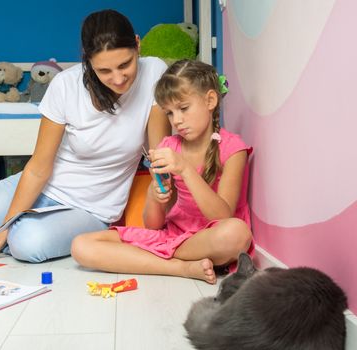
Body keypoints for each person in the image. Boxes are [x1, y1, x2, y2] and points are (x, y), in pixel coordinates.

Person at [0, 9, 171, 262]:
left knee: (27, 242)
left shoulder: (154, 71)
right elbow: (38, 168)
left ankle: (20, 229)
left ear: (138, 45)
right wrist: (2, 230)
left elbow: (159, 151)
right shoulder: (65, 85)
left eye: (125, 64)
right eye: (104, 70)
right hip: (41, 188)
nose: (117, 78)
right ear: (87, 60)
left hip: (89, 209)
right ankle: (16, 224)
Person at [71, 60, 253, 284]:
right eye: (169, 113)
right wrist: (154, 196)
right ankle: (181, 268)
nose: (177, 121)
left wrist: (186, 170)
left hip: (208, 239)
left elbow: (222, 216)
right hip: (172, 236)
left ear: (210, 100)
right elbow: (153, 225)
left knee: (236, 233)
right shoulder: (169, 146)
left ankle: (155, 259)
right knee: (81, 246)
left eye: (184, 108)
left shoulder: (233, 148)